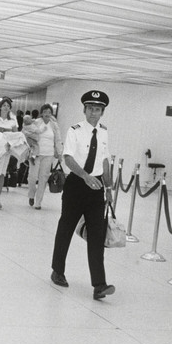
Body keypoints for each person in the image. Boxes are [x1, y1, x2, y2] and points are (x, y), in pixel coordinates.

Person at [50, 90, 115, 300]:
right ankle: (57, 271)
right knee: (66, 227)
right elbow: (67, 158)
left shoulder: (104, 132)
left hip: (96, 188)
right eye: (90, 109)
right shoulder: (74, 130)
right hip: (77, 184)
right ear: (84, 110)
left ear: (102, 112)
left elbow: (105, 161)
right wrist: (85, 176)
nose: (93, 113)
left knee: (97, 235)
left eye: (97, 110)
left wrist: (109, 188)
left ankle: (99, 285)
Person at [24, 103, 62, 209]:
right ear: (41, 113)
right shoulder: (36, 123)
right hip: (35, 154)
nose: (47, 114)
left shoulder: (54, 125)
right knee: (32, 177)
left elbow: (58, 140)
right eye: (45, 112)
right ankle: (31, 195)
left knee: (43, 178)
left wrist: (59, 153)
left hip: (48, 154)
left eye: (49, 112)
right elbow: (26, 132)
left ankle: (38, 202)